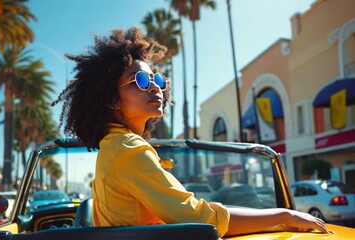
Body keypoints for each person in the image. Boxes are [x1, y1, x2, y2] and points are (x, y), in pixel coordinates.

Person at [52, 27, 330, 237]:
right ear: (111, 99)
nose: (155, 87)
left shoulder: (115, 145)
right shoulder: (127, 148)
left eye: (156, 79)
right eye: (139, 80)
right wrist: (283, 215)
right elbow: (200, 219)